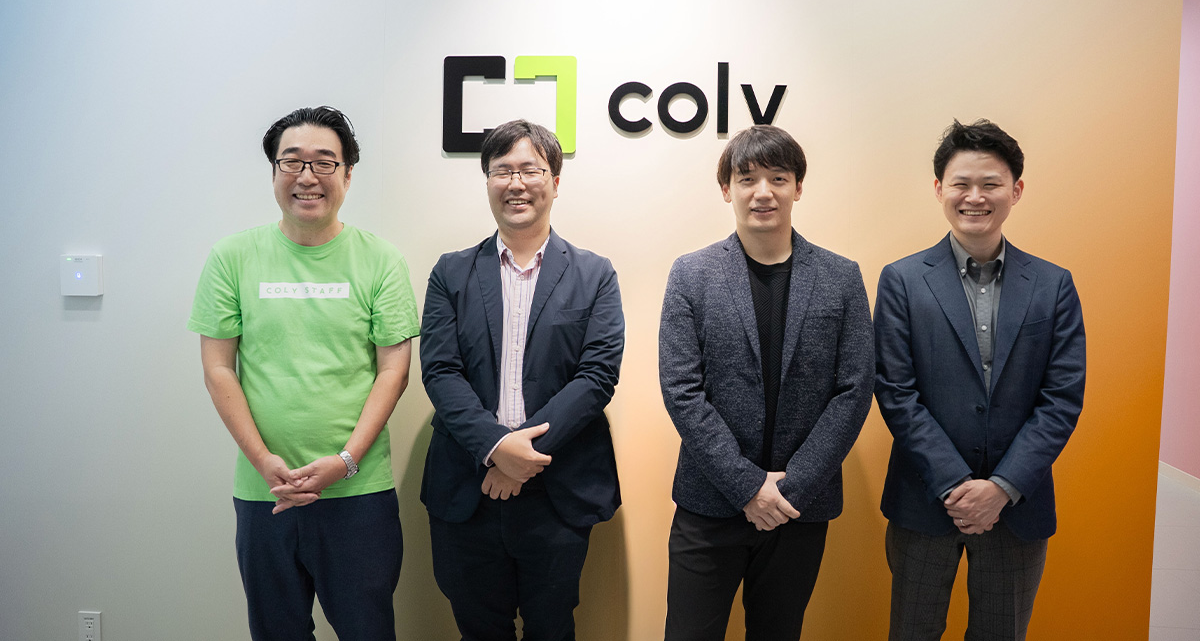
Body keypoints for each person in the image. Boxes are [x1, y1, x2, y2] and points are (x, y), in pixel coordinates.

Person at [189, 106, 420, 641]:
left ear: (348, 174)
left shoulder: (381, 260)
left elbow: (394, 371)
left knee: (367, 631)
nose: (307, 176)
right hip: (265, 491)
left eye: (324, 162)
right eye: (291, 161)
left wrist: (346, 461)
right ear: (274, 171)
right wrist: (263, 462)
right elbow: (218, 368)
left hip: (358, 493)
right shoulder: (232, 257)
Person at [658, 125, 874, 641]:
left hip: (799, 507)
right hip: (709, 502)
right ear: (726, 189)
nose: (763, 192)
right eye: (747, 178)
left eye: (778, 178)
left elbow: (854, 390)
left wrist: (789, 487)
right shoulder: (691, 274)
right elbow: (682, 389)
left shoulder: (841, 277)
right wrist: (748, 486)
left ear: (798, 187)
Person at [874, 119, 1086, 640]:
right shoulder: (902, 280)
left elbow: (1061, 399)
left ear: (1016, 190)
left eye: (990, 184)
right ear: (939, 189)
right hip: (925, 500)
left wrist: (1001, 488)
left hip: (1017, 507)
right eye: (961, 184)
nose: (975, 197)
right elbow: (896, 393)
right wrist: (955, 485)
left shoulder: (1053, 285)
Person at [419, 119, 625, 641]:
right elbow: (440, 371)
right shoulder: (451, 273)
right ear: (487, 181)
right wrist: (496, 448)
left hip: (557, 488)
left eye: (529, 170)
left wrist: (521, 459)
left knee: (552, 628)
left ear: (554, 180)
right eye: (502, 170)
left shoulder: (595, 273)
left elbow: (597, 376)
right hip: (468, 484)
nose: (516, 183)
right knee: (478, 628)